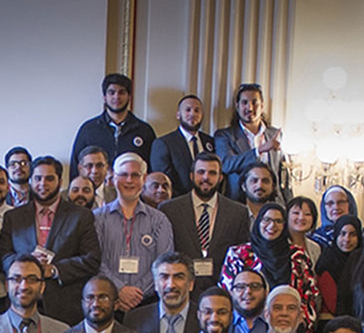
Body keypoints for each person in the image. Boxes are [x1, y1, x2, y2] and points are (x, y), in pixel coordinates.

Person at [0, 155, 103, 325]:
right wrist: (26, 265)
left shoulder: (80, 216)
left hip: (65, 306)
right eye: (38, 178)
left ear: (60, 182)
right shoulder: (13, 217)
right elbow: (2, 257)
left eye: (49, 179)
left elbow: (92, 259)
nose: (43, 184)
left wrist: (54, 270)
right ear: (30, 181)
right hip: (21, 303)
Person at [219, 202, 319, 333]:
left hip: (288, 330)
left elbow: (308, 295)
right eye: (267, 220)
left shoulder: (297, 255)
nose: (272, 225)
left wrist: (302, 327)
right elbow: (226, 294)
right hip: (244, 329)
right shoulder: (239, 254)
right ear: (258, 222)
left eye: (278, 221)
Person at [158, 152, 251, 293]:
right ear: (192, 176)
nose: (206, 177)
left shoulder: (238, 212)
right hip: (181, 289)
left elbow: (241, 255)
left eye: (212, 173)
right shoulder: (169, 210)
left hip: (222, 290)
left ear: (220, 178)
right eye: (201, 172)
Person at [94, 152, 174, 312]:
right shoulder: (97, 218)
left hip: (147, 304)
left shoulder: (159, 220)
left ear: (144, 179)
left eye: (135, 175)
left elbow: (163, 264)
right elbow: (95, 260)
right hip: (106, 303)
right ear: (114, 179)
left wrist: (137, 294)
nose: (129, 180)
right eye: (123, 175)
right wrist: (119, 290)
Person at [70, 73, 157, 172]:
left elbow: (152, 168)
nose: (116, 97)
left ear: (129, 96)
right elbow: (76, 166)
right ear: (104, 97)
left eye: (122, 92)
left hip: (132, 186)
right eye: (111, 92)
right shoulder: (89, 129)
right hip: (95, 186)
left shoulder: (144, 130)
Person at [150, 94, 217, 199]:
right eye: (188, 110)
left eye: (197, 110)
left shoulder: (211, 142)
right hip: (178, 202)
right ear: (178, 115)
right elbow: (163, 179)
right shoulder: (164, 143)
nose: (192, 114)